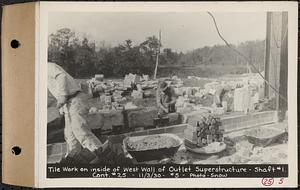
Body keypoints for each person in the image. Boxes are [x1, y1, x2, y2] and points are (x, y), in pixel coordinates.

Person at [48, 62, 130, 164]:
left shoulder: (47, 66)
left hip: (74, 99)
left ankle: (104, 157)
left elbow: (61, 76)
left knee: (81, 132)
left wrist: (63, 95)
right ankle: (73, 160)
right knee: (70, 136)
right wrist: (61, 105)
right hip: (68, 103)